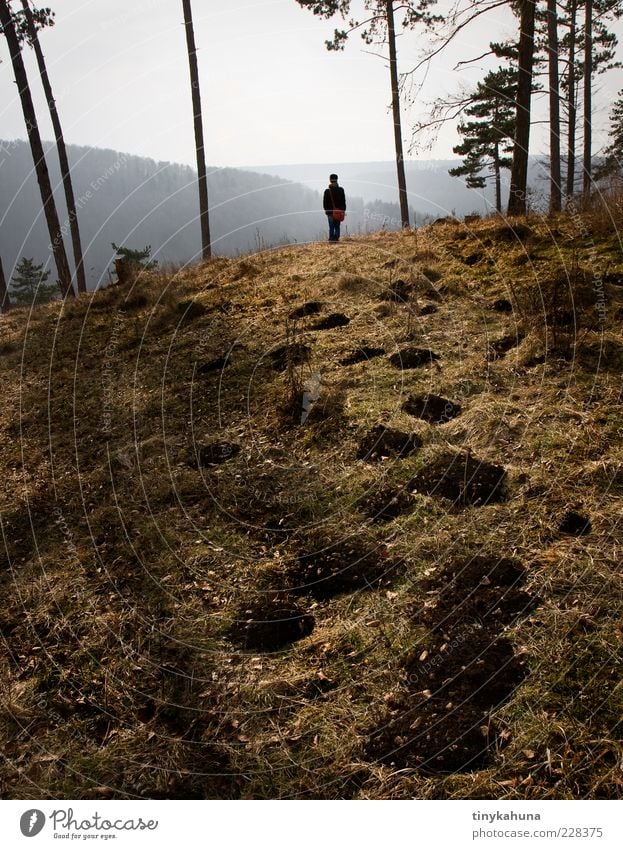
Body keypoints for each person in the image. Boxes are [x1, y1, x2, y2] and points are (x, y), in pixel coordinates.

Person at [323, 174, 346, 242]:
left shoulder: (327, 191)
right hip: (339, 212)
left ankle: (331, 239)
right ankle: (336, 239)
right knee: (337, 226)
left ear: (330, 180)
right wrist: (343, 210)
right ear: (337, 180)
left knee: (331, 226)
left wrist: (327, 211)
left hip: (330, 212)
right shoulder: (341, 190)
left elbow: (324, 203)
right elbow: (343, 201)